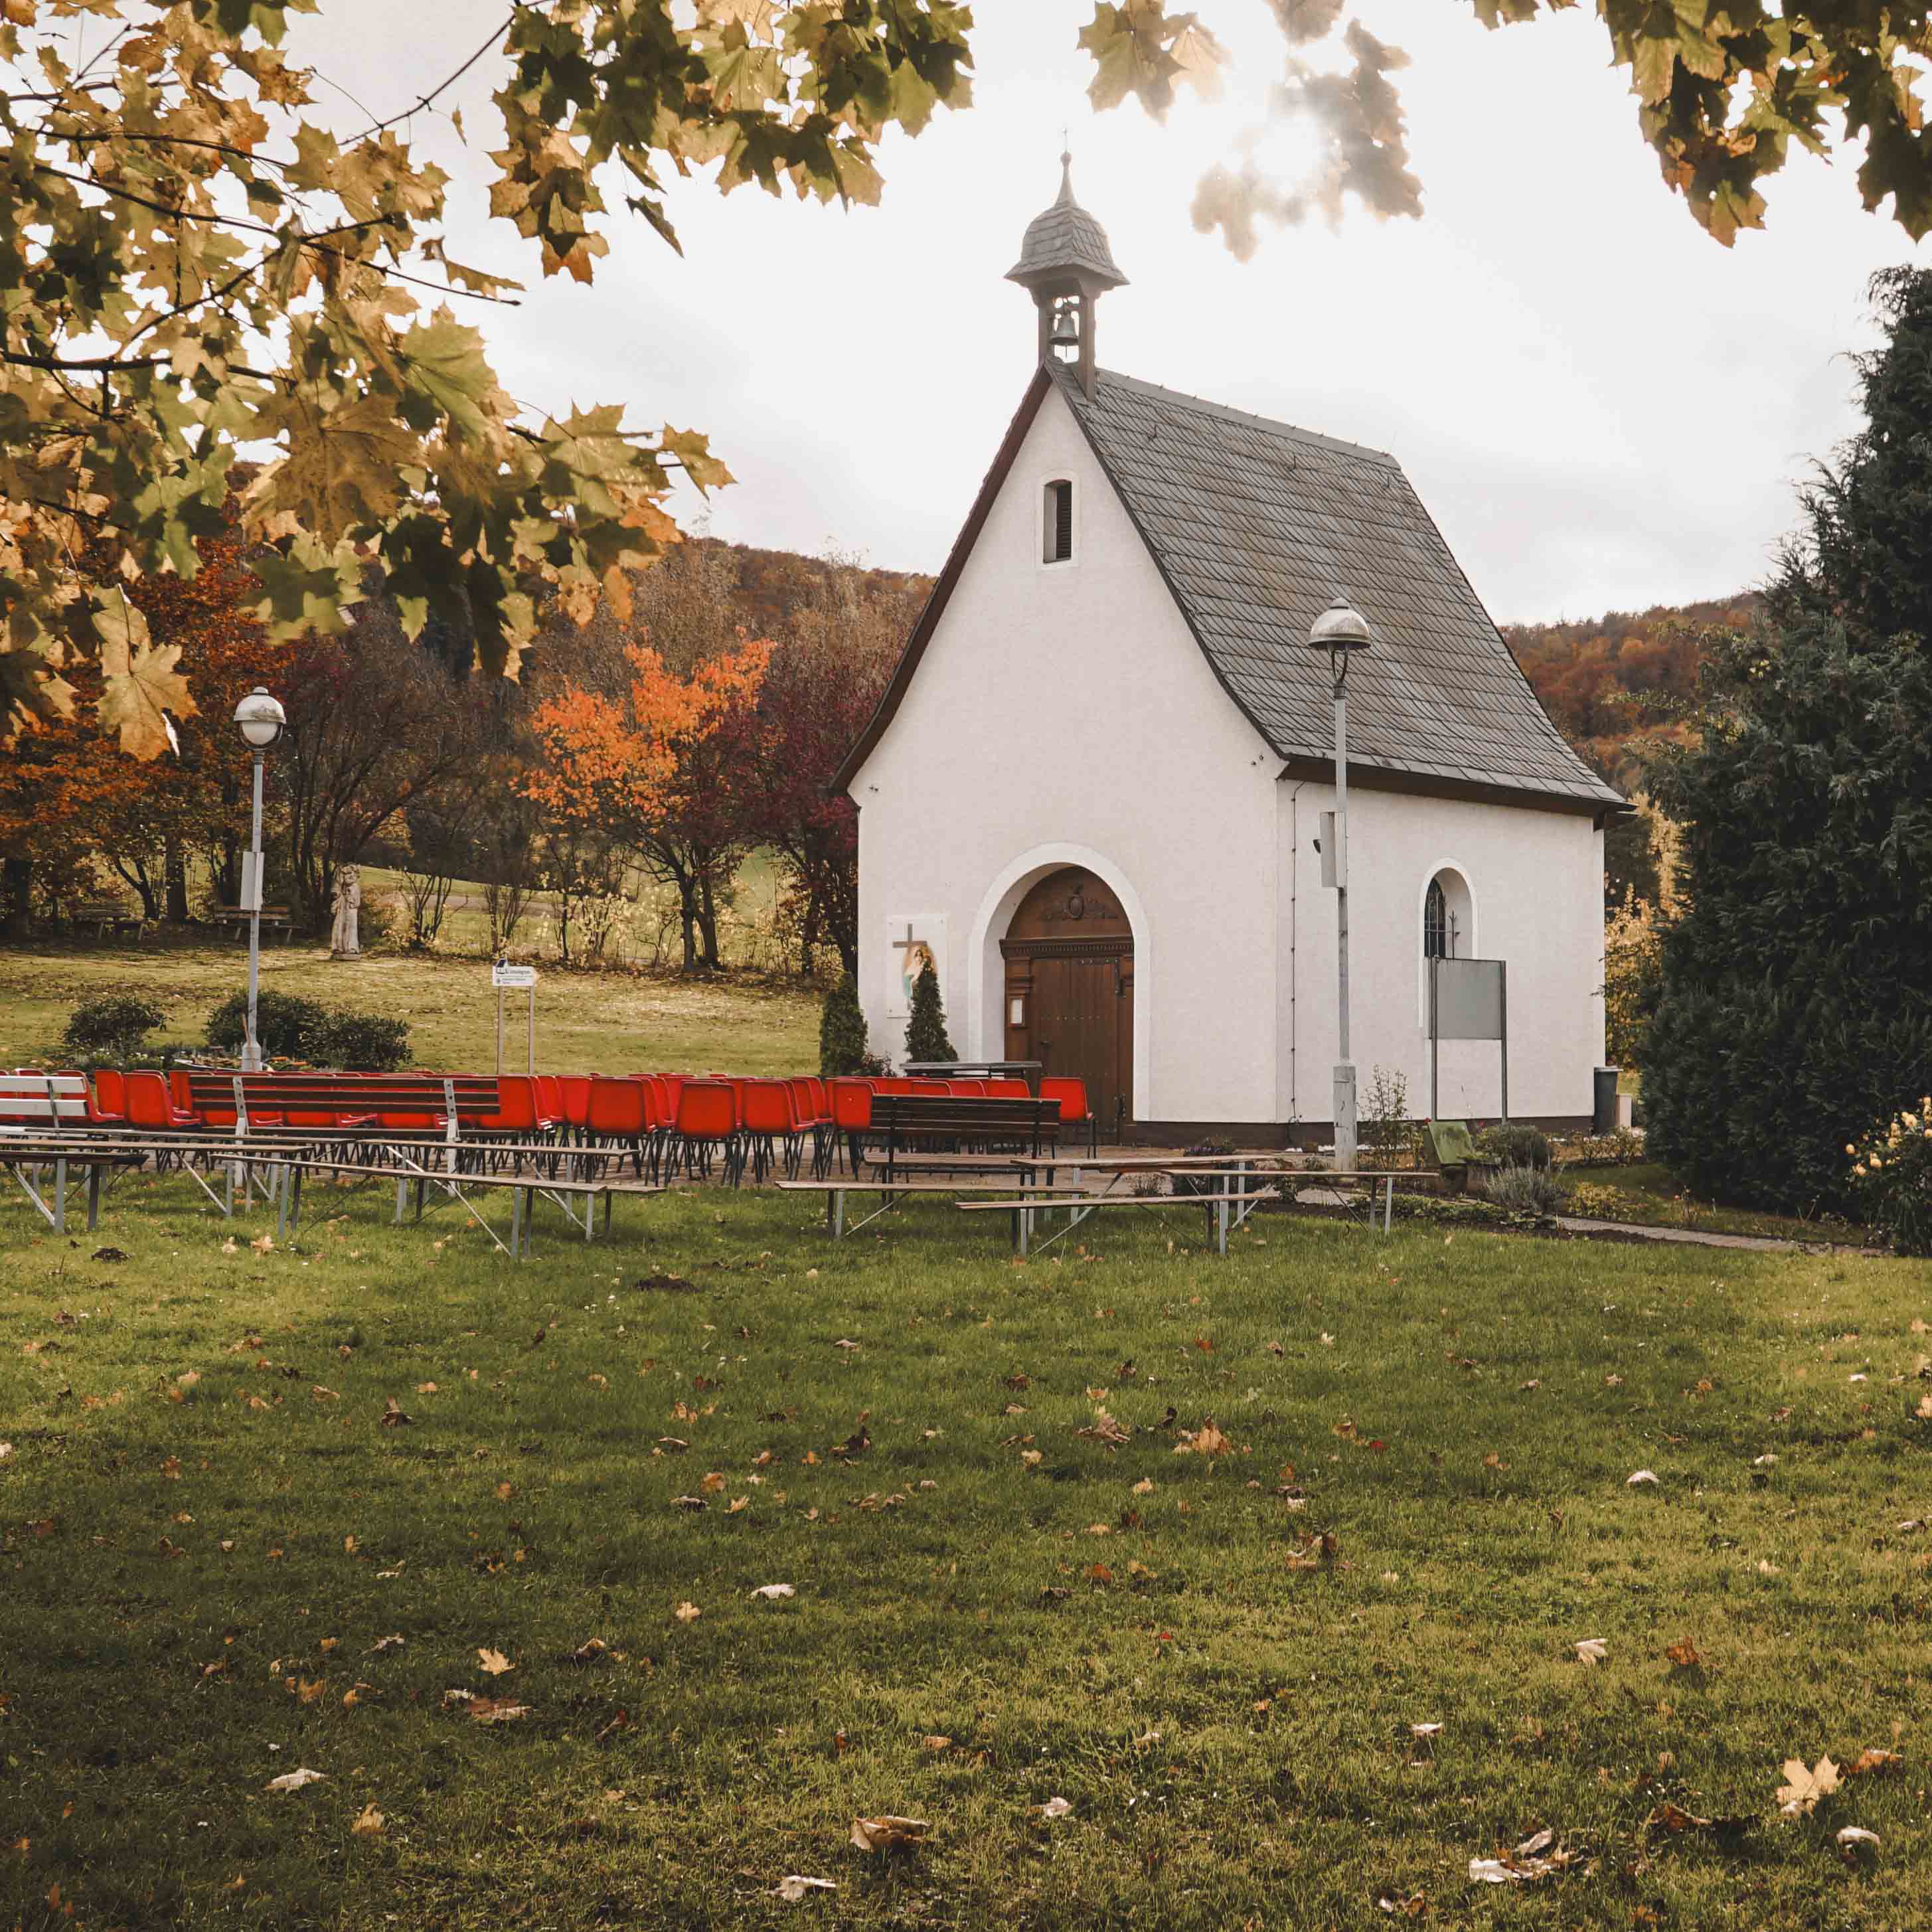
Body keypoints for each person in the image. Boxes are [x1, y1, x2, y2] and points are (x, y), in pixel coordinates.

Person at [330, 866, 362, 959]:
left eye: (354, 874)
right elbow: (335, 893)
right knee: (339, 926)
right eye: (348, 874)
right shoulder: (342, 887)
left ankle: (352, 948)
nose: (351, 876)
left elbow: (357, 902)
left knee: (351, 928)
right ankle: (339, 947)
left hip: (351, 910)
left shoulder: (355, 887)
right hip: (342, 908)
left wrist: (351, 900)